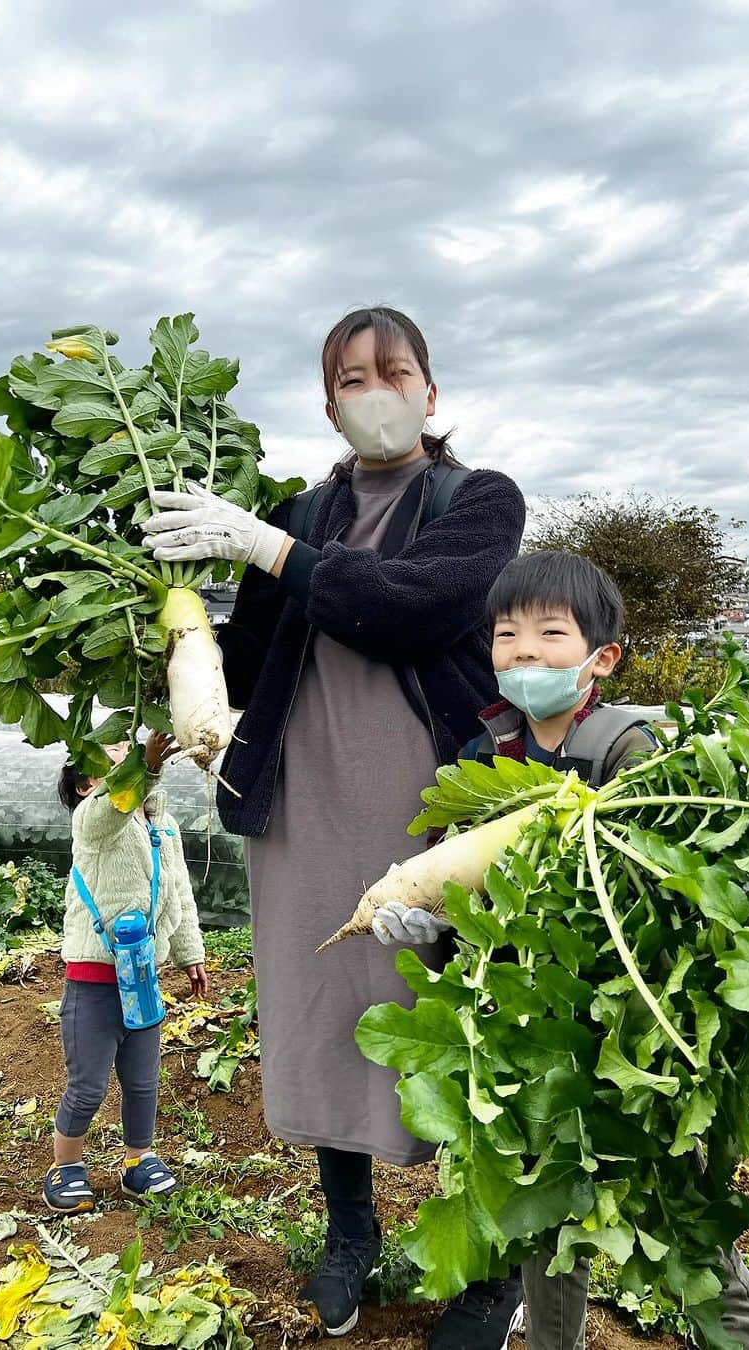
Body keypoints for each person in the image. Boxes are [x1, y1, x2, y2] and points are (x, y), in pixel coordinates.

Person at [142, 306, 526, 1336]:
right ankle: (351, 1232)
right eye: (352, 379)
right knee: (323, 1009)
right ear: (329, 403)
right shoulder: (300, 514)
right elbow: (258, 652)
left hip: (439, 809)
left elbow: (408, 606)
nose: (375, 391)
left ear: (431, 392)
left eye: (392, 371)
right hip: (307, 803)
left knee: (462, 1022)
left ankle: (488, 1263)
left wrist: (265, 545)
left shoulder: (478, 502)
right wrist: (184, 660)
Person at [373, 550, 749, 1350]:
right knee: (542, 1213)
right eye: (506, 634)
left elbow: (676, 896)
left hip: (632, 1033)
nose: (524, 651)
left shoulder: (632, 756)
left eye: (549, 632)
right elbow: (465, 900)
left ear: (602, 656)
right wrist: (431, 925)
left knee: (686, 1222)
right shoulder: (483, 760)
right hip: (528, 1033)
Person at [44, 731, 208, 1215]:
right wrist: (146, 768)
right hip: (93, 979)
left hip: (143, 979)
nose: (124, 755)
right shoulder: (93, 823)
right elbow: (112, 804)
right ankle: (66, 1166)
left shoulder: (164, 825)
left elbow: (179, 891)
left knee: (142, 1080)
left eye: (125, 749)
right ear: (84, 785)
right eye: (110, 757)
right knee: (88, 1083)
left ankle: (139, 1159)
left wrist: (188, 952)